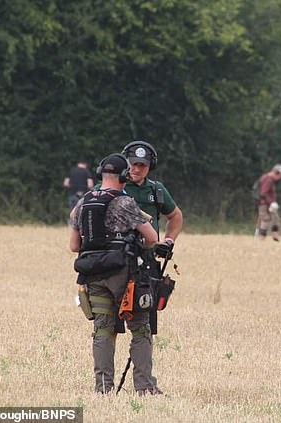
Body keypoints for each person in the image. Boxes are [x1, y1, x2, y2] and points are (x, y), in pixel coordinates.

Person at [69, 153, 159, 395]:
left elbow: (74, 246)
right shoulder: (124, 203)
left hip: (93, 275)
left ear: (101, 174)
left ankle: (103, 389)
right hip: (124, 275)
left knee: (103, 329)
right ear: (123, 176)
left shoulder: (83, 203)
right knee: (140, 328)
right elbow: (152, 238)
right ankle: (144, 388)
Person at [120, 140, 183, 394]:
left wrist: (168, 240)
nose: (136, 169)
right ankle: (104, 387)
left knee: (144, 325)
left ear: (149, 167)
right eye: (133, 164)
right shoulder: (115, 187)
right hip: (117, 262)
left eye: (142, 165)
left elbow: (176, 216)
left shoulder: (156, 191)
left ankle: (144, 386)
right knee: (107, 325)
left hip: (146, 265)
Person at [255, 164, 281, 241]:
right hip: (264, 203)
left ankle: (275, 236)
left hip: (269, 203)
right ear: (276, 172)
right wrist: (271, 203)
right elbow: (263, 193)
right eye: (280, 176)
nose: (279, 179)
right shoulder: (267, 179)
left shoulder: (269, 179)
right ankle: (261, 238)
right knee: (265, 219)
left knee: (276, 218)